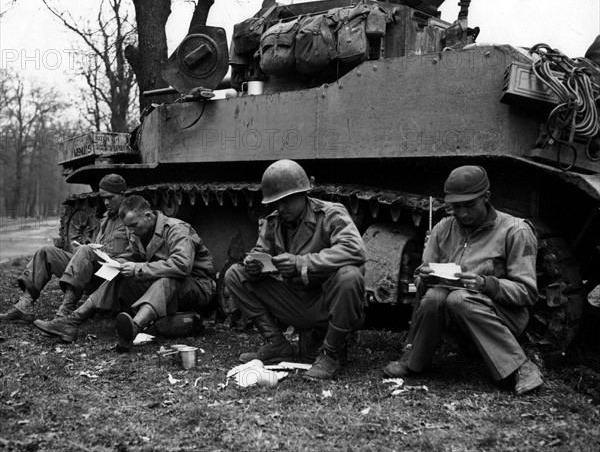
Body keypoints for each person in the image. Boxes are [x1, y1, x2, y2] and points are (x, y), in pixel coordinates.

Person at [382, 165, 543, 394]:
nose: (464, 214)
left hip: (503, 315)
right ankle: (415, 359)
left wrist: (486, 283)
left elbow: (527, 292)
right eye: (456, 207)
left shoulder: (515, 231)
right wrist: (425, 278)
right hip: (453, 316)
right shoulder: (443, 228)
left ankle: (521, 367)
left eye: (470, 205)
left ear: (486, 197)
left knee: (459, 298)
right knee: (436, 296)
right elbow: (419, 279)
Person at [224, 159, 367, 381]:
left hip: (327, 302)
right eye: (276, 202)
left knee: (350, 275)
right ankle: (276, 342)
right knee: (235, 274)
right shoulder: (274, 223)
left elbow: (355, 250)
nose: (281, 208)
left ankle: (330, 354)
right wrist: (253, 264)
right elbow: (260, 253)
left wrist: (302, 263)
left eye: (287, 201)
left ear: (303, 194)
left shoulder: (330, 214)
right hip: (293, 300)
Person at [33, 195, 216, 350]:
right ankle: (71, 322)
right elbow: (131, 256)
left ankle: (133, 329)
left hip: (198, 286)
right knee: (119, 277)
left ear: (148, 216)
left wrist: (137, 268)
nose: (130, 231)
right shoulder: (140, 234)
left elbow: (182, 266)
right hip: (164, 285)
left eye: (133, 225)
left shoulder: (177, 230)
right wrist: (117, 264)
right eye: (127, 227)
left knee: (167, 279)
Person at [0, 174, 129, 323]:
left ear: (122, 195)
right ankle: (23, 307)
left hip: (112, 279)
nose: (106, 202)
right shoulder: (107, 218)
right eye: (103, 197)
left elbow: (136, 255)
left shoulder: (131, 219)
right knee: (45, 252)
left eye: (111, 197)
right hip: (95, 273)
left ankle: (63, 316)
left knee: (85, 251)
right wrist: (83, 252)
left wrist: (91, 253)